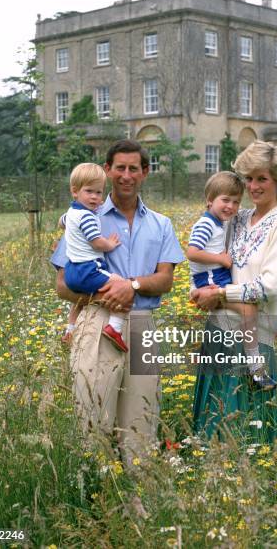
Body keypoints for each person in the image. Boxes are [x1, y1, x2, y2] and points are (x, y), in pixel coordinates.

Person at [50, 140, 184, 466]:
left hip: (142, 326)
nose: (126, 175)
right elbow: (62, 284)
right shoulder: (83, 216)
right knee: (93, 417)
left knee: (142, 420)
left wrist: (132, 285)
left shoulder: (161, 224)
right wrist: (106, 295)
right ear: (107, 170)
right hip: (97, 320)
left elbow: (165, 279)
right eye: (119, 168)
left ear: (145, 173)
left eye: (133, 169)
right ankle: (96, 500)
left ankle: (140, 503)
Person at [191, 140, 277, 446]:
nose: (253, 186)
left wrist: (219, 294)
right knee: (212, 430)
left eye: (262, 178)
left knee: (247, 437)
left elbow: (269, 287)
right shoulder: (237, 218)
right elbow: (207, 253)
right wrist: (199, 290)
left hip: (255, 337)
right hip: (219, 331)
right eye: (249, 178)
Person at [186, 171, 277, 390]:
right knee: (248, 310)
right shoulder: (206, 224)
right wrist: (221, 259)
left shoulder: (220, 223)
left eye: (236, 202)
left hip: (216, 279)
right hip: (211, 282)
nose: (231, 206)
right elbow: (192, 252)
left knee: (249, 310)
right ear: (210, 200)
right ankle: (255, 368)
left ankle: (253, 365)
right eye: (225, 200)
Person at [62, 162, 128, 352]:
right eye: (89, 191)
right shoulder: (87, 217)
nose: (94, 197)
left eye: (99, 193)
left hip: (72, 271)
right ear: (75, 191)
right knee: (121, 285)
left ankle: (70, 329)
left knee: (79, 301)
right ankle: (114, 327)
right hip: (88, 268)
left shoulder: (71, 213)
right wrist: (110, 244)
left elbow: (62, 222)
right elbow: (96, 242)